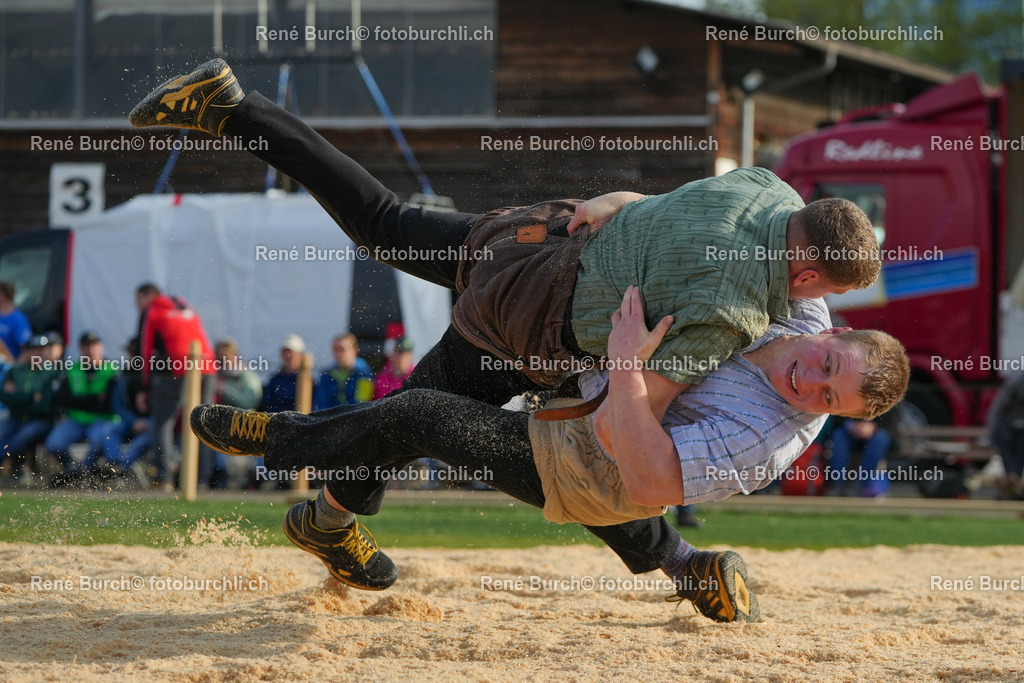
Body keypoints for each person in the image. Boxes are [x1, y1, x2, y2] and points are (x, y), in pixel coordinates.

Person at [193, 293, 909, 622]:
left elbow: (646, 473)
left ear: (835, 418)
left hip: (605, 463)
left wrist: (627, 368)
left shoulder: (771, 437)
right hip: (588, 394)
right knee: (425, 402)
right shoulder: (802, 304)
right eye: (825, 365)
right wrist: (616, 205)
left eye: (827, 398)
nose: (809, 383)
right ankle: (690, 566)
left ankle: (281, 439)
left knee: (414, 413)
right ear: (836, 325)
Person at [136, 283, 215, 489]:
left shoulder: (153, 310)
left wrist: (144, 388)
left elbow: (144, 350)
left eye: (138, 300)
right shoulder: (185, 308)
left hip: (174, 367)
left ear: (148, 296)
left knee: (163, 422)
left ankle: (165, 478)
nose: (137, 306)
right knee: (204, 423)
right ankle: (202, 480)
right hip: (206, 365)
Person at [47, 332, 124, 486]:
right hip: (75, 419)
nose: (91, 350)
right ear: (81, 349)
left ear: (101, 347)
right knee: (54, 443)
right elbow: (64, 399)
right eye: (87, 346)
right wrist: (94, 398)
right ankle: (73, 468)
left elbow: (109, 403)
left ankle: (82, 472)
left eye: (95, 346)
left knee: (99, 439)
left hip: (102, 419)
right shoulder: (73, 369)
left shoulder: (112, 370)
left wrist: (81, 400)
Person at [0, 335, 60, 483]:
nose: (39, 354)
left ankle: (19, 472)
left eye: (42, 350)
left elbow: (44, 405)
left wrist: (17, 396)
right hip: (17, 417)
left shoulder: (52, 373)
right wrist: (30, 397)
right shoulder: (16, 371)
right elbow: (4, 396)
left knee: (18, 439)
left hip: (40, 420)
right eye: (35, 350)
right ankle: (17, 472)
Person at [825, 417, 894, 497]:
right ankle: (838, 484)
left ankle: (861, 485)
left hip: (876, 434)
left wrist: (873, 427)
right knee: (838, 435)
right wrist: (850, 425)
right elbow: (835, 417)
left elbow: (892, 420)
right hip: (847, 433)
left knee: (881, 438)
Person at [987, 372, 1024, 500]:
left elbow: (996, 413)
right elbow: (996, 413)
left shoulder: (1013, 383)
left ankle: (1011, 487)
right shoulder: (1014, 384)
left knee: (1012, 468)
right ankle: (1012, 486)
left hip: (1008, 432)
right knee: (1013, 468)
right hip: (1009, 433)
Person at [314, 333, 375, 410]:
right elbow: (321, 403)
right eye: (335, 349)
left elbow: (363, 403)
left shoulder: (365, 374)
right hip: (330, 418)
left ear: (354, 350)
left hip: (355, 418)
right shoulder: (327, 374)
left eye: (342, 349)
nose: (338, 353)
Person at [263, 334, 308, 413]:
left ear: (301, 356)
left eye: (292, 353)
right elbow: (268, 406)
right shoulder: (274, 381)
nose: (288, 356)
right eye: (285, 352)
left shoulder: (309, 382)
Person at [0, 281, 32, 362]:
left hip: (7, 366)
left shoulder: (18, 319)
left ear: (2, 295)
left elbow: (26, 349)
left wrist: (14, 369)